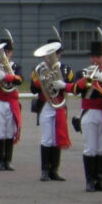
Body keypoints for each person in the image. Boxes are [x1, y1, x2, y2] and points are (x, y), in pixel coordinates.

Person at [30, 39, 76, 182]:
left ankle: (54, 170)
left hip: (59, 105)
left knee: (57, 138)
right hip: (45, 104)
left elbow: (72, 85)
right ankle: (45, 170)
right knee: (46, 138)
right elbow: (33, 88)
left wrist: (63, 84)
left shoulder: (66, 69)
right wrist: (42, 81)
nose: (52, 57)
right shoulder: (39, 69)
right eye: (49, 54)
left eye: (55, 53)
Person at [74, 41, 102, 193]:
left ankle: (100, 180)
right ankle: (89, 181)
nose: (95, 60)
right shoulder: (82, 73)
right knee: (90, 147)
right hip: (89, 112)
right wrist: (87, 80)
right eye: (92, 57)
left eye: (98, 56)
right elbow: (74, 89)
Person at [0, 39, 24, 171]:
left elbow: (20, 80)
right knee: (0, 131)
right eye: (3, 51)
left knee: (10, 132)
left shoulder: (15, 66)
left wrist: (7, 77)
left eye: (8, 51)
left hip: (11, 102)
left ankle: (8, 160)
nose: (5, 54)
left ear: (11, 53)